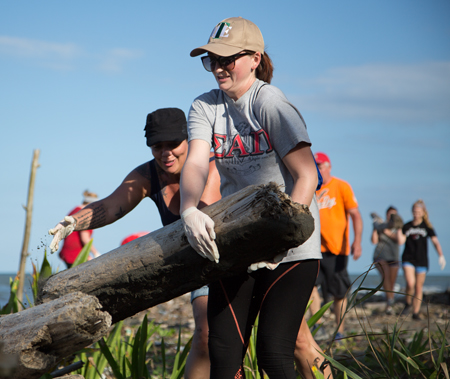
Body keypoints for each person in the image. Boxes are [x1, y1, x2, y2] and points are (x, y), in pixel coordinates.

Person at [179, 16, 326, 379]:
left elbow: (307, 174)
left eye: (227, 59)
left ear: (255, 58)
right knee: (223, 352)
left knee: (275, 353)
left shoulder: (270, 102)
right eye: (211, 59)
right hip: (240, 240)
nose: (218, 67)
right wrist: (188, 210)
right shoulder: (204, 106)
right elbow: (196, 162)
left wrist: (283, 235)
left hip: (291, 247)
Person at [48, 108, 221, 379]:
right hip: (203, 267)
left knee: (297, 343)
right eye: (157, 146)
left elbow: (208, 217)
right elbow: (110, 205)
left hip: (240, 258)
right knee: (204, 335)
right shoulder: (149, 174)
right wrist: (73, 222)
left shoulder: (209, 166)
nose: (166, 153)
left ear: (189, 139)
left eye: (173, 144)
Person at [308, 152, 363, 341]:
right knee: (309, 286)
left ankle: (340, 331)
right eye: (315, 165)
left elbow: (355, 215)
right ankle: (318, 325)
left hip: (337, 249)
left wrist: (357, 242)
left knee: (340, 292)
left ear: (329, 166)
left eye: (321, 165)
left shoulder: (341, 186)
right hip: (313, 249)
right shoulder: (309, 187)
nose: (319, 168)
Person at [399, 199, 446, 319]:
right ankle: (408, 303)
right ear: (411, 212)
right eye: (414, 211)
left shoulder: (427, 227)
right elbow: (401, 241)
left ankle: (415, 312)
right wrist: (399, 229)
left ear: (423, 212)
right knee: (410, 283)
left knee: (419, 287)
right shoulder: (406, 226)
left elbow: (435, 242)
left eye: (418, 211)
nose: (416, 213)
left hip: (422, 260)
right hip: (408, 258)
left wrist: (441, 256)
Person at [371, 206, 403, 314]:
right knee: (385, 276)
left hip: (394, 257)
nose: (392, 217)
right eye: (390, 214)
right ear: (386, 215)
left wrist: (386, 232)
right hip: (380, 255)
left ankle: (389, 306)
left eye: (394, 215)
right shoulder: (380, 225)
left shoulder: (398, 227)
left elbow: (400, 241)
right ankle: (390, 300)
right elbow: (374, 241)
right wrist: (376, 228)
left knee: (391, 282)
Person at [56, 190, 100, 268]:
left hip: (67, 252)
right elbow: (85, 238)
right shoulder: (85, 214)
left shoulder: (75, 210)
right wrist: (96, 253)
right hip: (75, 254)